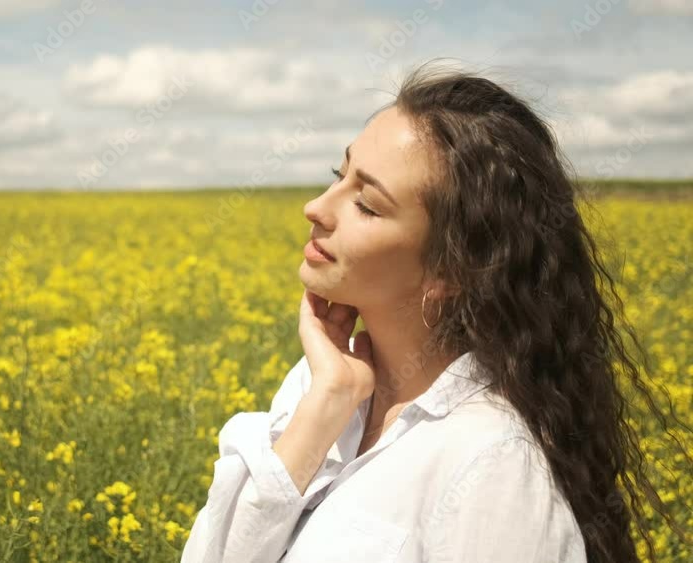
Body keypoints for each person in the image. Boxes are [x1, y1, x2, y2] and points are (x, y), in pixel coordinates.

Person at [180, 60, 691, 563]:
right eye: (339, 175)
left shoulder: (492, 466)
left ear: (453, 270)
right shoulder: (324, 387)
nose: (316, 207)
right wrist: (325, 405)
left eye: (367, 204)